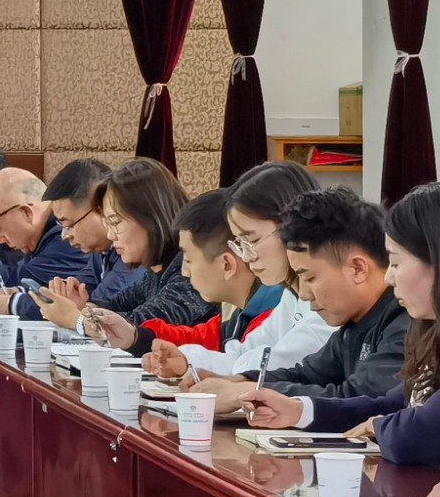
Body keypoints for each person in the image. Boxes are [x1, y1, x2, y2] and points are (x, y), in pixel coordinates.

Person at [246, 183, 440, 471]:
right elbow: (389, 404)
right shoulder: (433, 335)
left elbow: (423, 432)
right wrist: (298, 410)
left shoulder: (402, 321)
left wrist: (380, 426)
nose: (389, 278)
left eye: (395, 263)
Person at [190, 187, 406, 411]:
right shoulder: (353, 325)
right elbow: (306, 374)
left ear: (358, 268)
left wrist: (249, 392)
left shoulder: (404, 324)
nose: (303, 293)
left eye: (309, 278)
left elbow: (357, 397)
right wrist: (238, 381)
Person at [142, 161, 329, 381]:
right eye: (240, 243)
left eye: (252, 240)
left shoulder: (329, 298)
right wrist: (186, 360)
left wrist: (203, 365)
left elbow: (274, 363)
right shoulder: (292, 296)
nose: (246, 257)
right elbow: (245, 351)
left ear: (293, 227)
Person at [42, 160, 213, 348]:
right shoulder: (158, 270)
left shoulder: (192, 266)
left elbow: (139, 326)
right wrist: (82, 308)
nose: (110, 235)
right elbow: (116, 306)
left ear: (149, 215)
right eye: (107, 224)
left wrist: (76, 318)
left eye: (115, 223)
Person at [120, 190, 280, 358]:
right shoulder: (235, 311)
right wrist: (134, 335)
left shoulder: (270, 320)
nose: (184, 272)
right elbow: (199, 339)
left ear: (226, 265)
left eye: (188, 260)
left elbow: (234, 367)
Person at [0, 168, 98, 320]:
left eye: (0, 230)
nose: (0, 239)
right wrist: (19, 291)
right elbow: (9, 286)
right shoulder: (40, 238)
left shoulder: (65, 241)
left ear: (26, 213)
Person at [35, 158, 135, 319]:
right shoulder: (100, 251)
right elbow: (80, 291)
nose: (64, 235)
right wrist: (62, 295)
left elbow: (107, 303)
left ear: (99, 208)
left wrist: (78, 313)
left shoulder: (136, 250)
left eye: (68, 224)